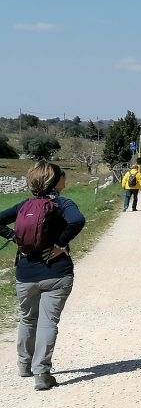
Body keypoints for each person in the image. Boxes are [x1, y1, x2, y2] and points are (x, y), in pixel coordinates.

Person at [0, 161, 85, 391]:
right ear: (56, 181)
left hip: (25, 273)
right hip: (57, 272)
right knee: (48, 321)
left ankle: (24, 365)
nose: (65, 180)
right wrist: (59, 243)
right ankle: (42, 374)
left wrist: (15, 237)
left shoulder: (24, 204)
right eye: (63, 177)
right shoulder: (63, 203)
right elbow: (78, 220)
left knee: (28, 318)